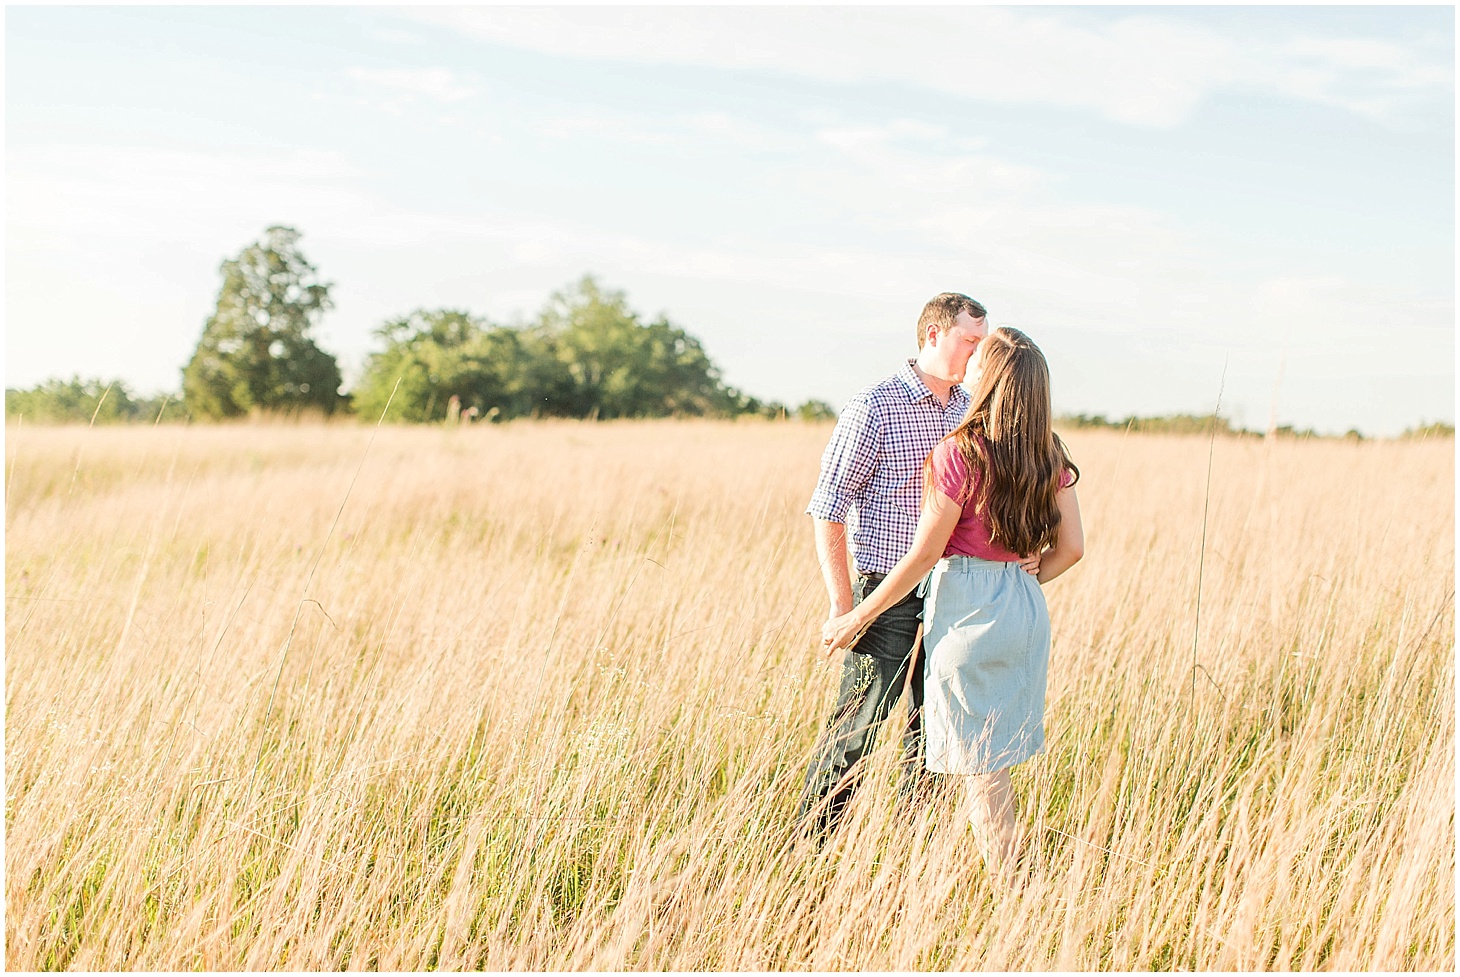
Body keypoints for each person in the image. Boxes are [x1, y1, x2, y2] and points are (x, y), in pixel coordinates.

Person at [821, 327, 1084, 879]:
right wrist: (1028, 572)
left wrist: (855, 615)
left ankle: (1011, 887)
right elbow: (1073, 549)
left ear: (989, 381)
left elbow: (922, 557)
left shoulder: (959, 453)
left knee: (981, 769)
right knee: (984, 758)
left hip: (967, 607)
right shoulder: (1049, 453)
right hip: (1024, 605)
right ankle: (947, 867)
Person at [797, 292, 996, 837]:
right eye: (968, 341)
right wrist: (845, 603)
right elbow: (828, 506)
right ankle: (803, 854)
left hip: (954, 592)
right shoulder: (876, 405)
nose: (976, 354)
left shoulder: (972, 409)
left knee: (933, 735)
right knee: (855, 730)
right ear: (934, 335)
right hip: (883, 594)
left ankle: (908, 863)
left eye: (982, 343)